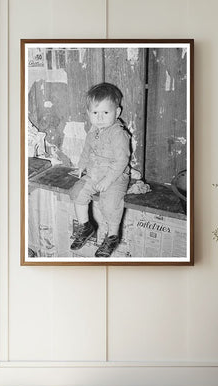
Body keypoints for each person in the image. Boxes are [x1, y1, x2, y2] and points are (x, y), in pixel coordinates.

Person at [69, 82, 130, 257]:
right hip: (95, 173)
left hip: (116, 176)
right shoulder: (93, 131)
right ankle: (85, 226)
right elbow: (86, 151)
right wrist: (81, 166)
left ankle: (112, 236)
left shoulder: (118, 134)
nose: (100, 118)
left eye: (105, 112)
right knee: (77, 192)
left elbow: (121, 161)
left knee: (110, 205)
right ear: (89, 114)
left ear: (116, 112)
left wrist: (108, 180)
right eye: (95, 113)